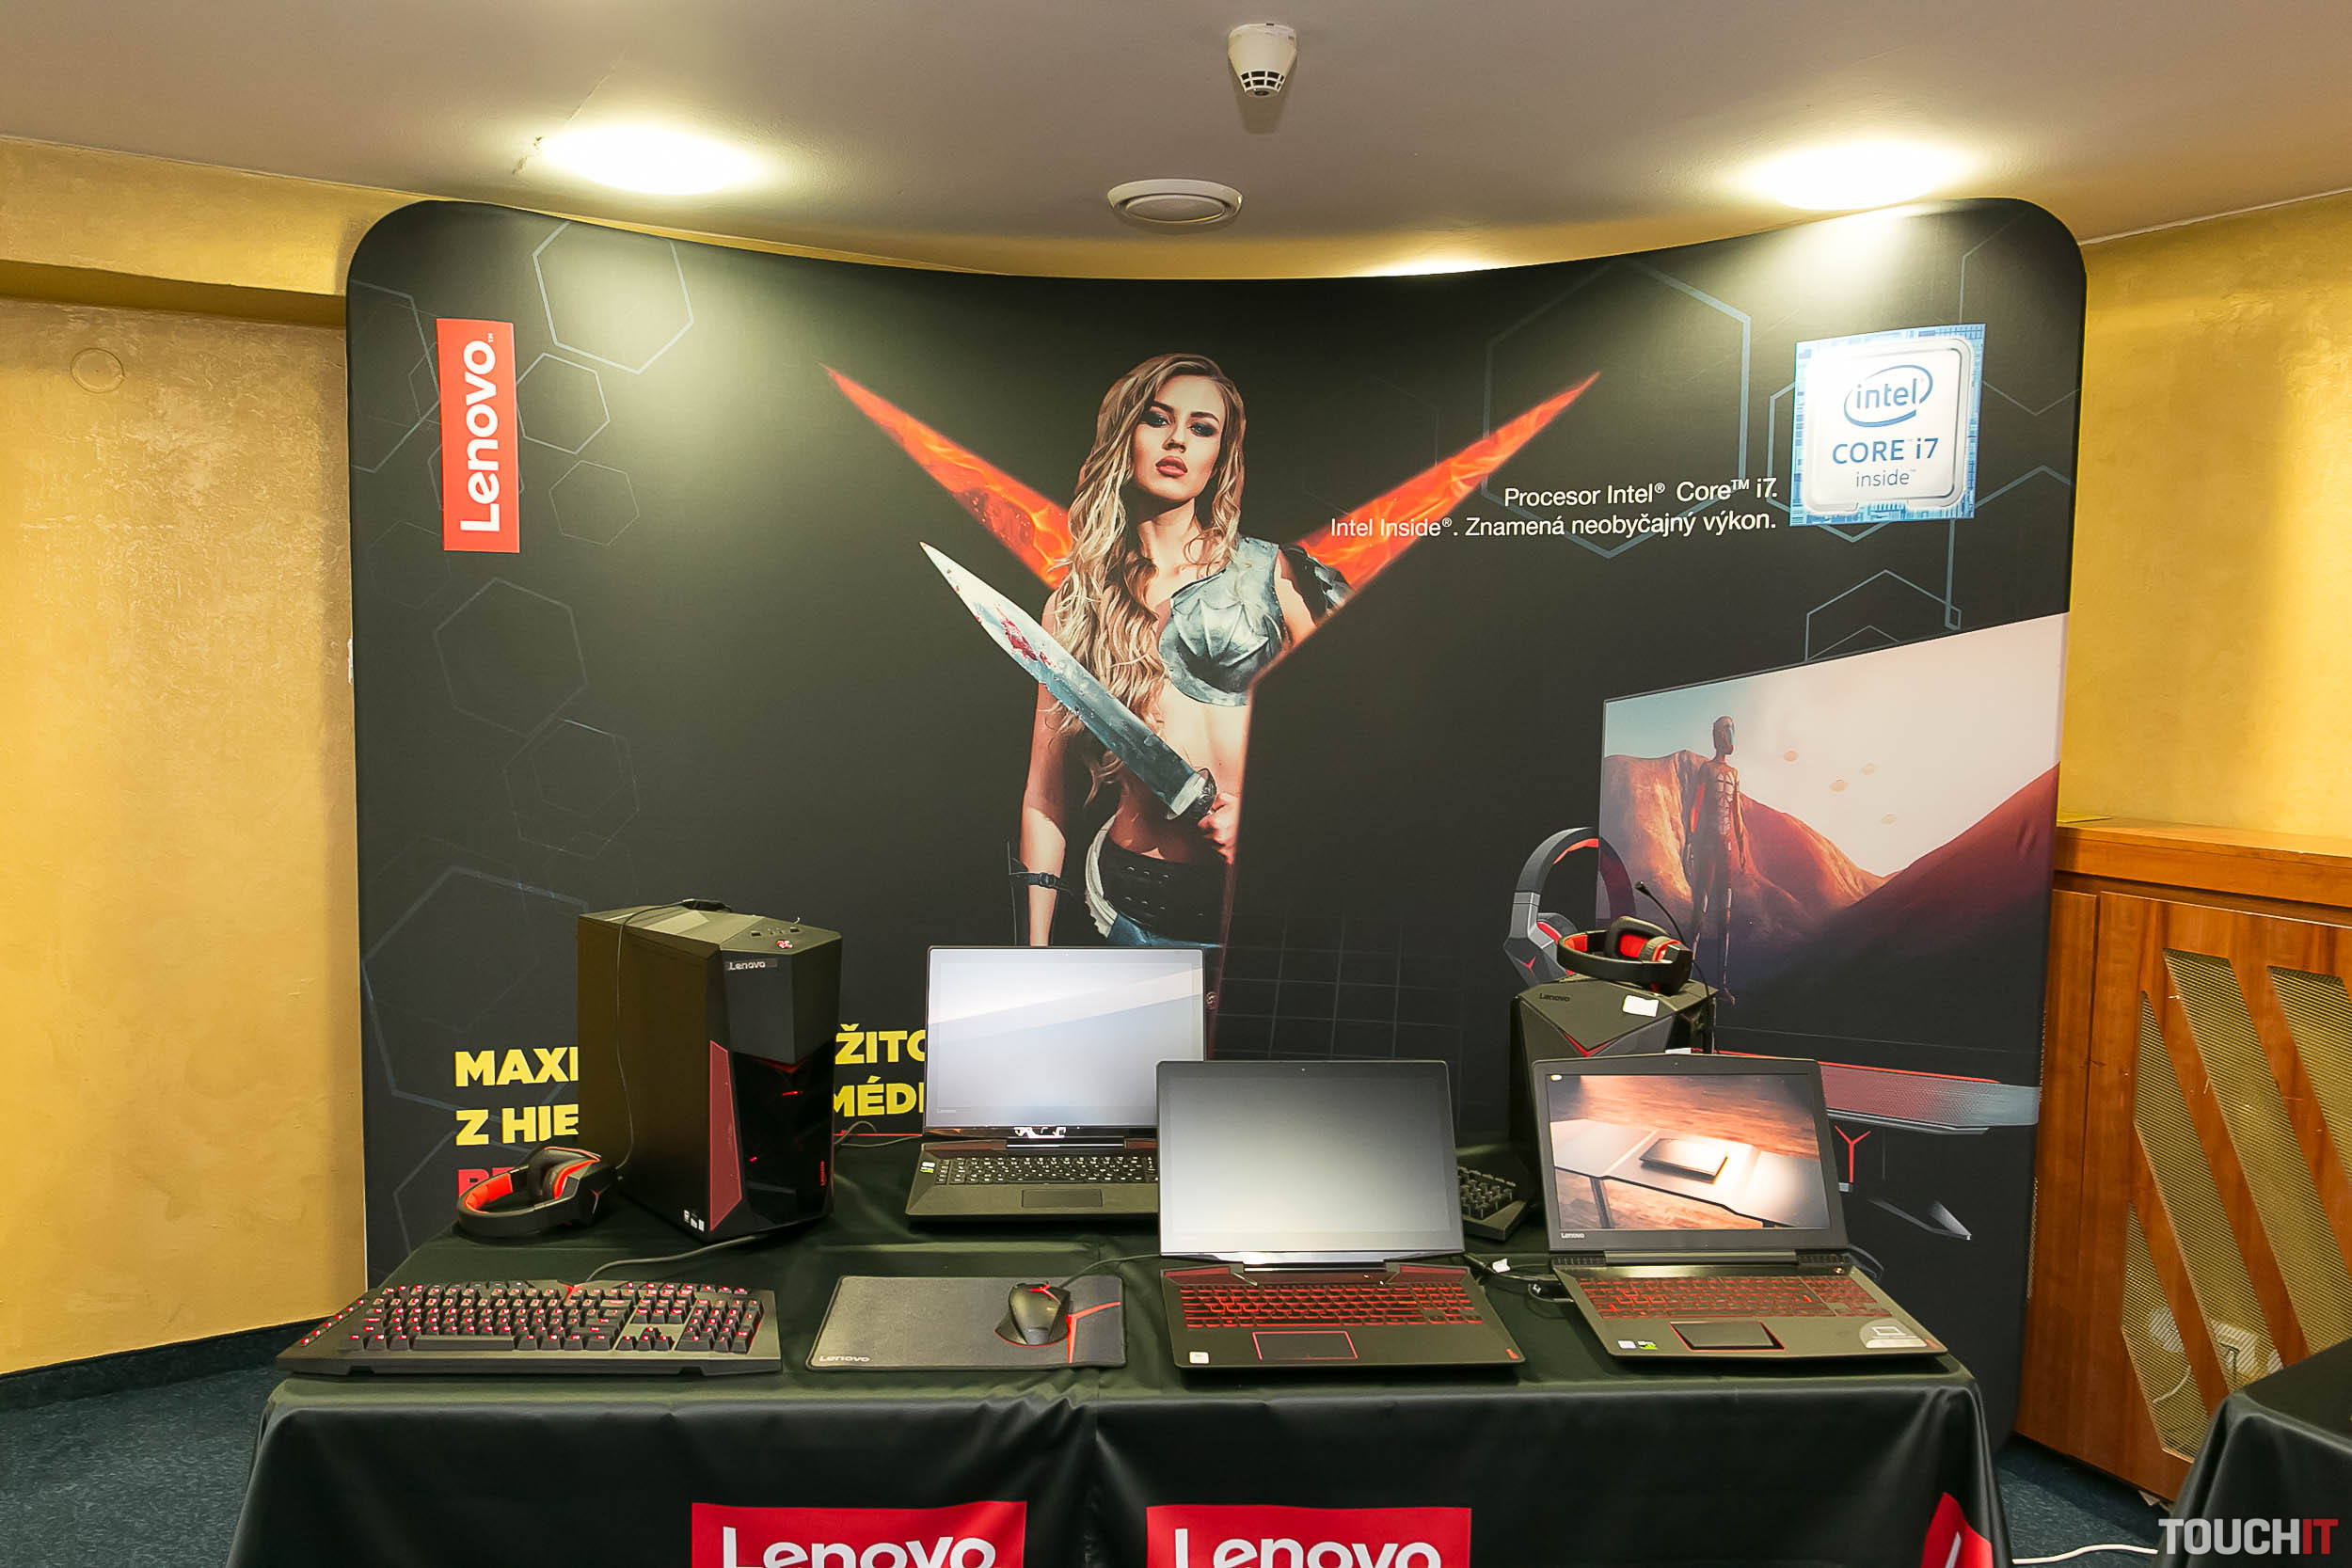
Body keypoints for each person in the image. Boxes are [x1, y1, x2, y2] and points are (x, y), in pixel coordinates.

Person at [1013, 353, 1347, 948]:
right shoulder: (1077, 604)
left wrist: (1268, 817)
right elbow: (1045, 790)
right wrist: (1033, 952)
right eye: (1157, 418)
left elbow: (1356, 743)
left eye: (1202, 428)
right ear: (1126, 436)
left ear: (1221, 455)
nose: (1178, 440)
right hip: (1133, 905)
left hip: (1265, 899)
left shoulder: (1276, 575)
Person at [1681, 714, 1750, 991]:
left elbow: (1737, 814)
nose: (1730, 736)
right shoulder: (1706, 770)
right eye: (1727, 731)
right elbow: (1695, 806)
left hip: (1726, 848)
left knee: (1726, 912)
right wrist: (1689, 841)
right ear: (1719, 735)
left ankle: (1721, 983)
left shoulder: (1734, 774)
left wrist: (1741, 846)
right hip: (1707, 846)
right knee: (1701, 907)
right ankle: (1685, 977)